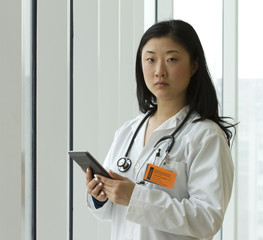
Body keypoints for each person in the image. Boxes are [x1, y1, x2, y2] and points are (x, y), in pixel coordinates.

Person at [85, 19, 236, 240]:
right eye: (150, 59)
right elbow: (112, 212)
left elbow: (207, 219)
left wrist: (136, 197)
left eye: (171, 59)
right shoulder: (128, 132)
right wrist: (100, 195)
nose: (159, 71)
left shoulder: (205, 136)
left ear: (194, 65)